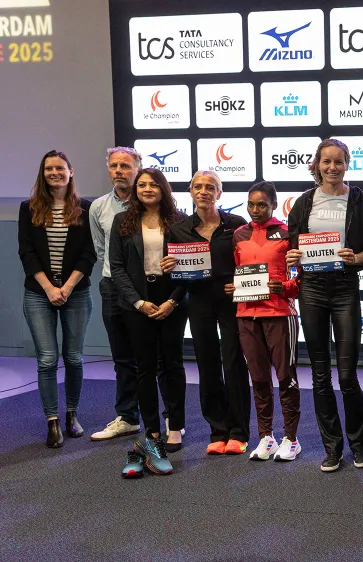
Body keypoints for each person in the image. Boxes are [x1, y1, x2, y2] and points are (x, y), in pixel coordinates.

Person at [287, 138, 363, 472]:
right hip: (311, 289)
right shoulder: (304, 202)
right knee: (320, 374)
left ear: (347, 164)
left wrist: (358, 258)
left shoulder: (362, 201)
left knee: (348, 375)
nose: (332, 167)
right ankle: (332, 448)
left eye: (338, 161)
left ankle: (358, 444)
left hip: (344, 290)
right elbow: (292, 247)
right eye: (326, 161)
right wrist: (292, 257)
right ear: (317, 164)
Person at [161, 171, 250, 455]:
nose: (204, 191)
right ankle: (218, 430)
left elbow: (249, 261)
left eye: (210, 187)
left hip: (231, 301)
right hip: (199, 301)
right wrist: (169, 268)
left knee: (234, 364)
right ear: (190, 192)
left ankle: (239, 431)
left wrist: (241, 284)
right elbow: (175, 274)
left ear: (219, 193)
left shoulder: (236, 224)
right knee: (207, 364)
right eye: (198, 186)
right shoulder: (178, 229)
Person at [110, 168, 187, 476]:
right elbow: (116, 267)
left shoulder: (180, 220)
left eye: (153, 184)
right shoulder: (122, 221)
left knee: (172, 364)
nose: (146, 189)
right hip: (137, 302)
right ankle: (152, 430)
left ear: (163, 188)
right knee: (145, 367)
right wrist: (139, 303)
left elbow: (190, 265)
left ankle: (175, 426)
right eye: (141, 184)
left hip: (171, 299)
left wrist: (173, 301)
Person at [17, 150, 96, 447]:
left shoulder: (85, 208)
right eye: (49, 168)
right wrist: (50, 288)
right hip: (39, 293)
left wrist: (68, 286)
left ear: (70, 172)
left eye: (60, 168)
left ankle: (72, 415)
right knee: (47, 359)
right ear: (43, 173)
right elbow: (26, 252)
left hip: (76, 292)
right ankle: (52, 422)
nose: (54, 173)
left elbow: (89, 253)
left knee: (73, 357)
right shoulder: (28, 208)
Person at [229, 181, 302, 462]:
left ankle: (291, 439)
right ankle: (266, 437)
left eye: (261, 205)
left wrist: (286, 287)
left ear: (274, 204)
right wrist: (232, 287)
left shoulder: (286, 233)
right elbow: (237, 273)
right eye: (251, 204)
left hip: (280, 314)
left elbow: (303, 277)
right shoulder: (239, 235)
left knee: (285, 378)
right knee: (258, 379)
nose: (255, 210)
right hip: (246, 315)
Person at [89, 147, 143, 441]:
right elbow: (101, 249)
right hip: (113, 287)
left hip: (146, 286)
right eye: (114, 166)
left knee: (157, 357)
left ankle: (169, 419)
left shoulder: (151, 200)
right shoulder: (98, 207)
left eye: (125, 165)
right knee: (122, 357)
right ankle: (128, 417)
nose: (119, 171)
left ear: (137, 169)